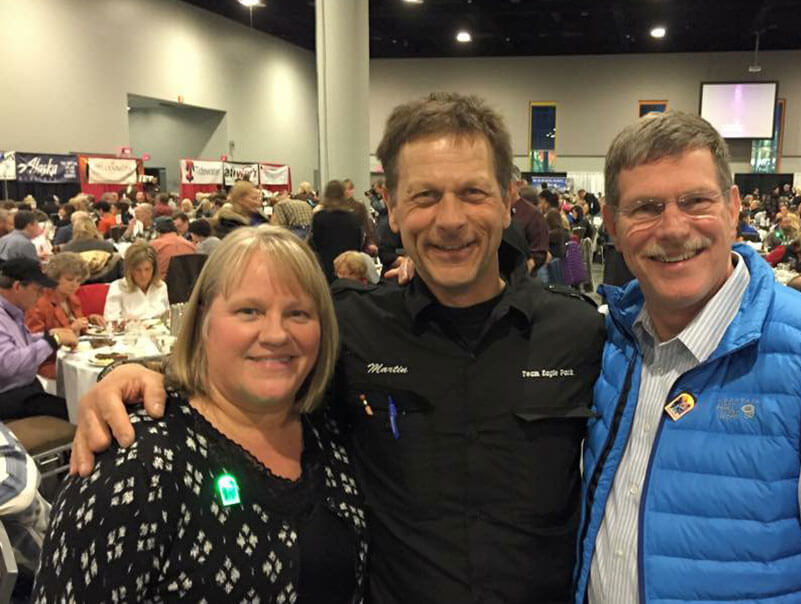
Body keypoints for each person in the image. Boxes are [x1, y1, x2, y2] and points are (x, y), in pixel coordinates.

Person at [71, 91, 604, 604]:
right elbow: (256, 359)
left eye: (472, 192)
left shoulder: (579, 333)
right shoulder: (348, 328)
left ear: (508, 202)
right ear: (391, 209)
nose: (450, 219)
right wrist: (142, 376)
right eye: (424, 196)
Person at [576, 110, 801, 602]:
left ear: (732, 209)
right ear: (613, 225)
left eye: (695, 201)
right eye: (645, 207)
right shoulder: (614, 342)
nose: (672, 227)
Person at [33, 227, 366, 602]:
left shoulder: (332, 432)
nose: (276, 333)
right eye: (249, 310)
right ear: (204, 320)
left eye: (299, 313)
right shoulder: (135, 462)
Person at [0, 258, 77, 420]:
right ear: (17, 287)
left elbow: (19, 345)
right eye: (38, 290)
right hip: (9, 396)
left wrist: (46, 336)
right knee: (79, 412)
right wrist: (52, 340)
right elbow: (7, 364)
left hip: (25, 390)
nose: (42, 295)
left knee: (78, 403)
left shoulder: (12, 311)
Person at [25, 252, 105, 378]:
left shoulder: (72, 298)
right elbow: (33, 344)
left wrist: (90, 320)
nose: (74, 284)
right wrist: (71, 329)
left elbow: (79, 329)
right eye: (69, 279)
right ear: (54, 278)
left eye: (78, 280)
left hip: (77, 355)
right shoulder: (39, 304)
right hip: (50, 363)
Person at [311, 180, 365, 283]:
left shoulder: (319, 217)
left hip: (326, 267)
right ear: (343, 195)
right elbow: (358, 243)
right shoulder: (353, 218)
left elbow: (315, 244)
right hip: (350, 269)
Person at [103, 243, 169, 322]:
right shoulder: (117, 288)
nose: (143, 275)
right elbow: (110, 321)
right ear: (130, 270)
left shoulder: (161, 286)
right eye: (138, 270)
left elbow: (167, 317)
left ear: (154, 269)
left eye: (147, 269)